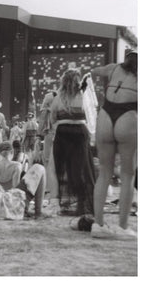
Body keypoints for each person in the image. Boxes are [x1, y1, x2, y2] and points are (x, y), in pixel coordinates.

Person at [90, 50, 138, 239]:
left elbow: (94, 70)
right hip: (129, 117)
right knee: (127, 174)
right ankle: (122, 227)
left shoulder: (114, 68)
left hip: (105, 116)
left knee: (104, 172)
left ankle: (98, 224)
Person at [49, 68, 96, 224]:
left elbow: (53, 118)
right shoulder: (83, 96)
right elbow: (91, 116)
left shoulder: (57, 98)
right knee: (82, 170)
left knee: (63, 169)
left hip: (63, 133)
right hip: (80, 133)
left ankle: (65, 202)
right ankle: (83, 204)